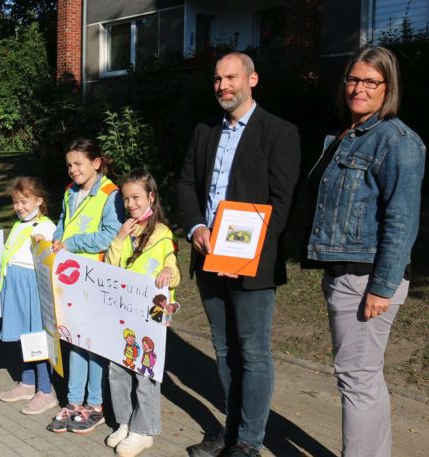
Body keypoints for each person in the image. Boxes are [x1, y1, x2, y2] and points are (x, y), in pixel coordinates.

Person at [176, 52, 300, 457]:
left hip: (251, 266)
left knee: (253, 353)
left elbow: (281, 205)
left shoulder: (279, 132)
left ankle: (249, 440)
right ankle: (229, 431)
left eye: (231, 78)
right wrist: (196, 228)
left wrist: (242, 253)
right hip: (207, 255)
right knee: (224, 350)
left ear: (252, 79)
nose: (223, 86)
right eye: (217, 79)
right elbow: (186, 185)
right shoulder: (205, 130)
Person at [302, 46, 424, 457]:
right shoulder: (346, 135)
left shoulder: (398, 141)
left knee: (355, 381)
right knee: (365, 379)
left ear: (387, 88)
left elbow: (401, 221)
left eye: (370, 81)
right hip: (345, 273)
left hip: (366, 279)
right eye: (353, 79)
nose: (358, 88)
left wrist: (382, 287)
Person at [47, 138, 124, 434]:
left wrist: (71, 243)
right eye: (69, 165)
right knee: (74, 339)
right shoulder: (69, 192)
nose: (72, 170)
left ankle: (95, 404)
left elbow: (109, 236)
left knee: (94, 344)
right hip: (70, 276)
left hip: (96, 277)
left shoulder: (111, 194)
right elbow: (63, 223)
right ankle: (73, 400)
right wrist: (57, 239)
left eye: (78, 163)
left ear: (96, 163)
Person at [105, 169, 179, 457]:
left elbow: (174, 275)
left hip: (151, 316)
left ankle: (144, 429)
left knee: (144, 372)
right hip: (123, 313)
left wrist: (167, 272)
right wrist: (120, 238)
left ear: (151, 196)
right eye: (126, 198)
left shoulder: (163, 234)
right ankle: (124, 422)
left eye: (135, 197)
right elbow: (111, 268)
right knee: (117, 369)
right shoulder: (125, 229)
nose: (130, 203)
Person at [0, 177, 58, 415]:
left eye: (25, 201)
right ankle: (27, 382)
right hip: (14, 284)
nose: (19, 207)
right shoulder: (18, 225)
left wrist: (43, 243)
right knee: (23, 337)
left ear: (39, 201)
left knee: (36, 337)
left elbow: (49, 256)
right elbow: (10, 253)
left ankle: (46, 391)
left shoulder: (45, 226)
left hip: (32, 287)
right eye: (16, 202)